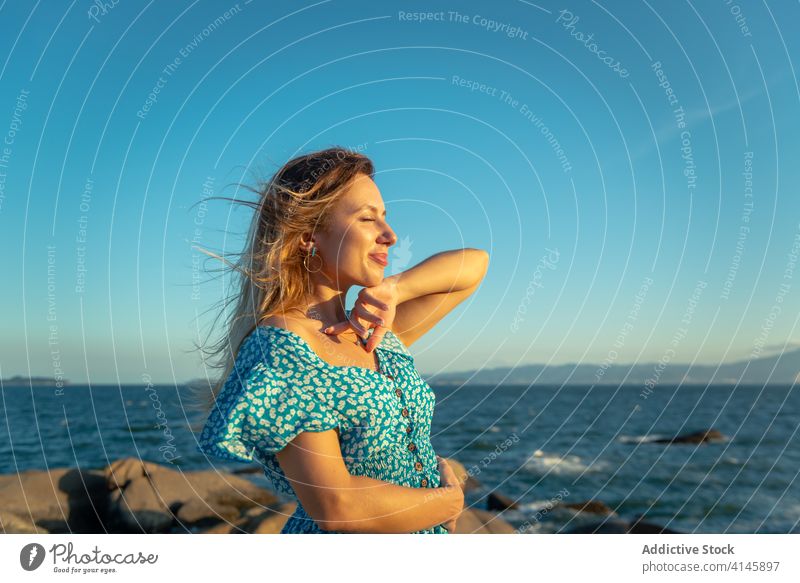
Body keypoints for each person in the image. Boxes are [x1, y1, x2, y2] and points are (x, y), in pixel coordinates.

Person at [192, 146, 489, 533]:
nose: (390, 235)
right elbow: (337, 507)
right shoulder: (283, 349)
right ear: (307, 235)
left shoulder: (374, 333)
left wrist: (396, 289)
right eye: (368, 219)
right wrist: (446, 501)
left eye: (385, 217)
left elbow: (475, 264)